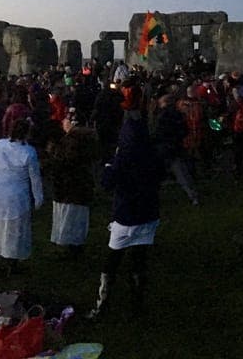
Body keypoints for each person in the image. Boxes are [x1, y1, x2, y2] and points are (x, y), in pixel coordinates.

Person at [87, 99, 164, 319]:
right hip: (148, 212)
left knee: (113, 259)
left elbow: (106, 183)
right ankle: (137, 305)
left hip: (127, 214)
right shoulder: (152, 154)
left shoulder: (123, 158)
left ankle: (102, 305)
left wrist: (109, 166)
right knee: (139, 258)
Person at [0, 118, 43, 276]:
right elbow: (35, 178)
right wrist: (38, 198)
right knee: (13, 232)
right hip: (15, 198)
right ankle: (11, 265)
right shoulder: (29, 152)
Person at [45, 117, 95, 258]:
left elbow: (63, 162)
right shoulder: (73, 144)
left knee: (70, 217)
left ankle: (69, 244)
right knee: (71, 217)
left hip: (70, 187)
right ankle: (71, 244)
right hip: (73, 187)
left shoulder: (69, 144)